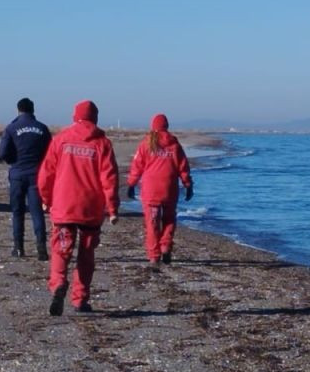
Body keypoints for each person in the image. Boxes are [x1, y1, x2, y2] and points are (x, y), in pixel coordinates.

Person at [37, 100, 119, 315]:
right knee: (86, 254)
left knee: (61, 250)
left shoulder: (61, 139)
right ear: (95, 117)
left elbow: (46, 173)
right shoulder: (102, 143)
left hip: (64, 205)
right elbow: (109, 179)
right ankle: (80, 298)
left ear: (75, 116)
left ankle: (58, 284)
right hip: (90, 208)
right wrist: (112, 208)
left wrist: (45, 198)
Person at [126, 114, 194, 266]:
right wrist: (188, 185)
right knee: (169, 219)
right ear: (167, 126)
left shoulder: (146, 144)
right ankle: (165, 246)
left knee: (152, 223)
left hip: (151, 191)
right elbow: (183, 168)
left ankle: (153, 255)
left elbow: (137, 166)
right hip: (169, 189)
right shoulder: (174, 145)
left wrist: (131, 184)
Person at [0, 97, 51, 260]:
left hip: (17, 174)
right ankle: (41, 247)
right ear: (33, 110)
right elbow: (51, 153)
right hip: (36, 174)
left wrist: (13, 161)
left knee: (17, 212)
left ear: (18, 110)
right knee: (37, 212)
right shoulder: (42, 128)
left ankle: (18, 247)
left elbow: (2, 153)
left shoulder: (12, 128)